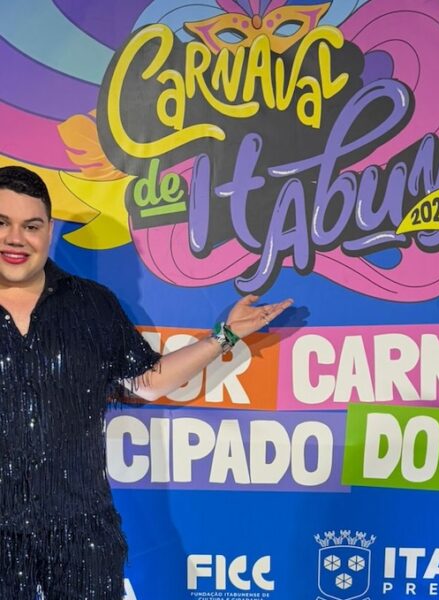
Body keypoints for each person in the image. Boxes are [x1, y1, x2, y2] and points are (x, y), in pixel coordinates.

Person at [0, 165, 292, 599]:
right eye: (2, 223)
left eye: (31, 225)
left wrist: (226, 336)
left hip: (82, 539)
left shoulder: (91, 304)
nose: (16, 238)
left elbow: (145, 382)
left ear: (48, 230)